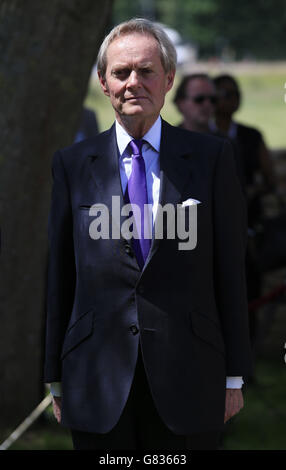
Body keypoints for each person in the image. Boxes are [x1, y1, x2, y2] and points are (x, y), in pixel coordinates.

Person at [44, 18, 252, 450]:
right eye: (121, 72)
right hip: (97, 378)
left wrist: (234, 376)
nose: (133, 82)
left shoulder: (212, 159)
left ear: (169, 79)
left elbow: (231, 271)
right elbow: (59, 276)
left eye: (146, 70)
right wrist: (54, 377)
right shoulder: (71, 164)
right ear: (103, 82)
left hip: (191, 377)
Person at [212, 74, 276, 344]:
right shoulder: (199, 136)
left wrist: (250, 192)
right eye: (221, 95)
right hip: (210, 226)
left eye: (233, 94)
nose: (228, 100)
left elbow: (270, 178)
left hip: (247, 225)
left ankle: (247, 358)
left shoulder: (250, 136)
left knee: (248, 290)